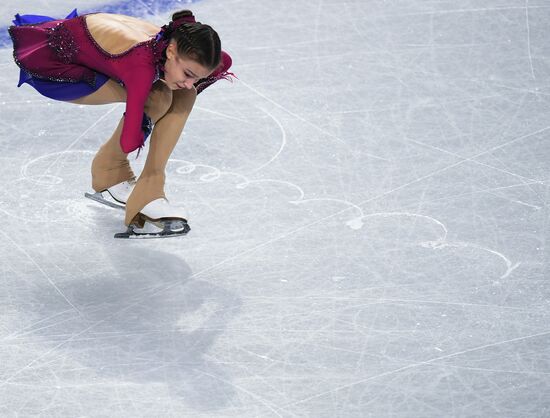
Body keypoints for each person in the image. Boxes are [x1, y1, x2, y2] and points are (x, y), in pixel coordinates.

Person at [8, 9, 234, 237]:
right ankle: (145, 195)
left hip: (99, 49)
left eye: (196, 75)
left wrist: (186, 83)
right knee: (159, 97)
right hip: (57, 65)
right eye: (187, 73)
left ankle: (110, 172)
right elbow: (129, 141)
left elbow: (221, 63)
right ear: (172, 51)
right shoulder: (140, 63)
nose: (190, 81)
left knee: (185, 94)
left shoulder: (175, 47)